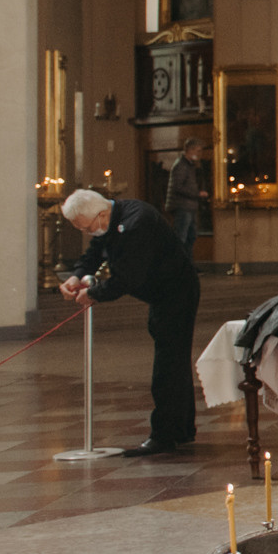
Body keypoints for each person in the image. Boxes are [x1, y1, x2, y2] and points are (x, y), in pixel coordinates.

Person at [59, 187, 200, 456]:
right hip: (162, 293)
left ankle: (164, 436)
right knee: (174, 361)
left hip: (176, 292)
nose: (85, 232)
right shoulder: (109, 219)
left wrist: (93, 294)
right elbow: (96, 248)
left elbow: (127, 279)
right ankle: (181, 429)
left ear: (100, 214)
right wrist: (77, 276)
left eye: (85, 227)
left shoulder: (137, 222)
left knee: (167, 365)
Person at [166, 139, 206, 255]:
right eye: (198, 151)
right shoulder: (181, 165)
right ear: (190, 150)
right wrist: (197, 194)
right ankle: (180, 266)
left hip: (189, 206)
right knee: (181, 237)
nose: (199, 154)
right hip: (182, 206)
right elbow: (177, 187)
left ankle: (188, 265)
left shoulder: (189, 165)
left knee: (190, 237)